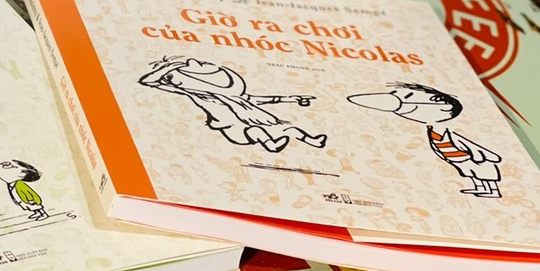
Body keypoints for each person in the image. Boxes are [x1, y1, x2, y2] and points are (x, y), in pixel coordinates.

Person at [139, 56, 326, 153]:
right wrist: (171, 67)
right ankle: (271, 146)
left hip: (248, 124)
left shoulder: (238, 97)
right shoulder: (200, 96)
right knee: (256, 131)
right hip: (236, 132)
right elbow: (147, 81)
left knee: (290, 129)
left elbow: (264, 99)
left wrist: (292, 98)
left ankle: (313, 141)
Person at [347, 84, 502, 197]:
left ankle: (492, 190)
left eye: (407, 97)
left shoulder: (449, 131)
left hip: (474, 158)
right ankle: (480, 188)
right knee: (470, 173)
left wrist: (483, 156)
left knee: (483, 173)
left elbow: (466, 144)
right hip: (457, 159)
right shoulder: (431, 130)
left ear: (443, 106)